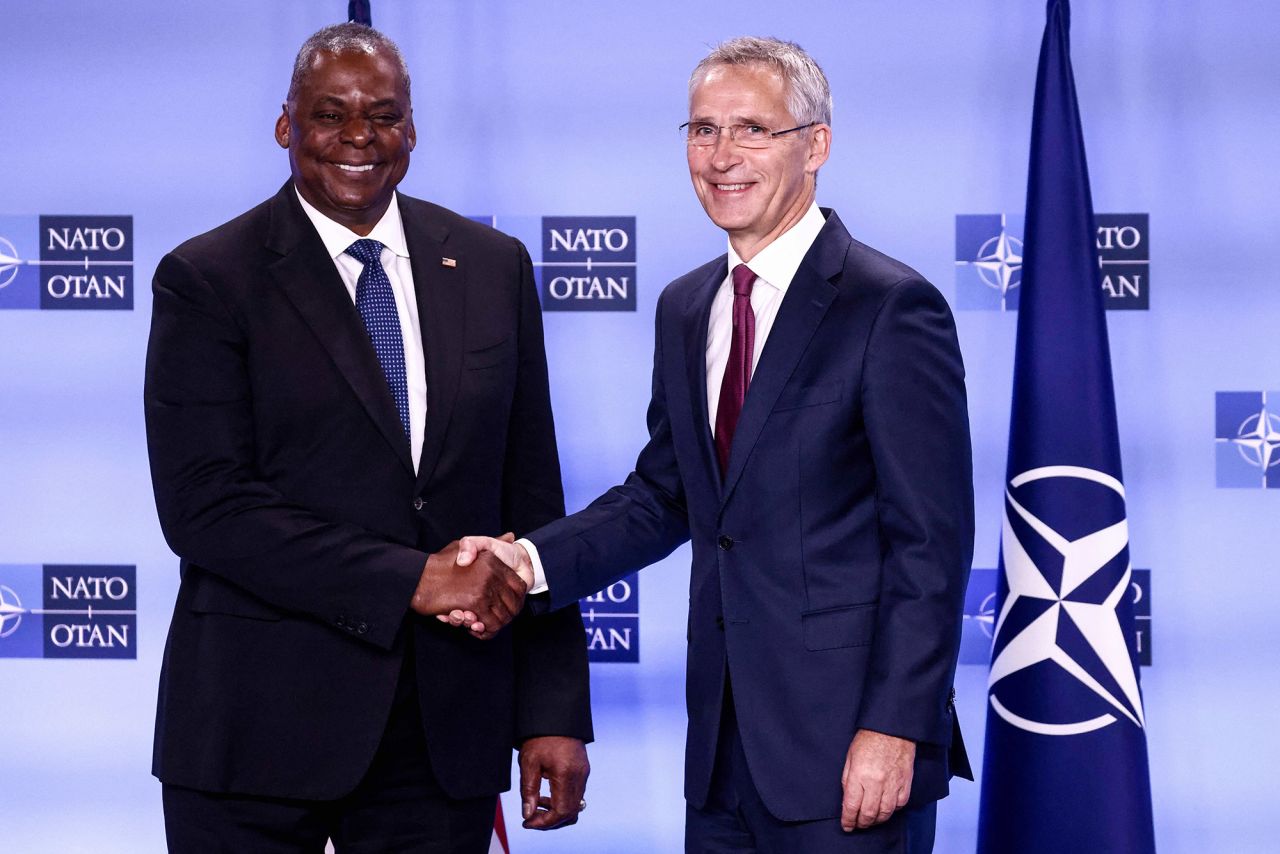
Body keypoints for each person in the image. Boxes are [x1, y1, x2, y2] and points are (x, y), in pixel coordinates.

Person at [454, 36, 974, 853]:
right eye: (702, 130)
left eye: (752, 130)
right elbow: (665, 495)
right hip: (721, 756)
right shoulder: (685, 306)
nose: (722, 155)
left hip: (851, 755)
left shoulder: (891, 307)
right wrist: (527, 563)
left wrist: (895, 727)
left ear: (817, 146)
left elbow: (931, 548)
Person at [143, 23, 590, 853]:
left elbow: (533, 503)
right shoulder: (208, 278)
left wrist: (553, 713)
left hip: (443, 738)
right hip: (254, 737)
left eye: (383, 115)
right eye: (330, 114)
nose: (359, 138)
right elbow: (205, 506)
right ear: (286, 125)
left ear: (412, 132)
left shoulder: (494, 266)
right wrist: (411, 580)